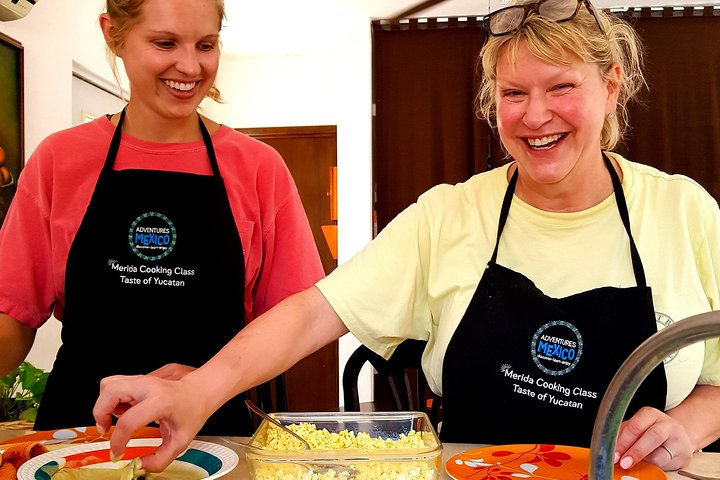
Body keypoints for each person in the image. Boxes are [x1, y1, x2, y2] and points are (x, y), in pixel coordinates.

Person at [93, 0, 720, 472]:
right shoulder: (447, 216)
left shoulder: (681, 210)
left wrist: (688, 426)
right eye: (513, 93)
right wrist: (200, 391)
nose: (534, 115)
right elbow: (315, 313)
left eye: (562, 87)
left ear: (610, 87)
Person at [0, 0, 324, 435]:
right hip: (78, 438)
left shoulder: (259, 169)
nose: (190, 66)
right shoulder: (58, 161)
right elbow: (12, 318)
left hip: (213, 437)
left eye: (206, 45)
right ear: (113, 34)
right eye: (165, 42)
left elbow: (296, 323)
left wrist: (211, 382)